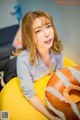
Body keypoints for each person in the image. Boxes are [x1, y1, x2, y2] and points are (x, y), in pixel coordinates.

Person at [16, 10, 64, 120]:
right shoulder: (23, 60)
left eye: (48, 26)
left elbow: (60, 75)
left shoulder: (57, 48)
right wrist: (51, 117)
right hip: (14, 68)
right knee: (7, 77)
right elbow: (29, 93)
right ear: (29, 36)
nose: (47, 34)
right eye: (38, 31)